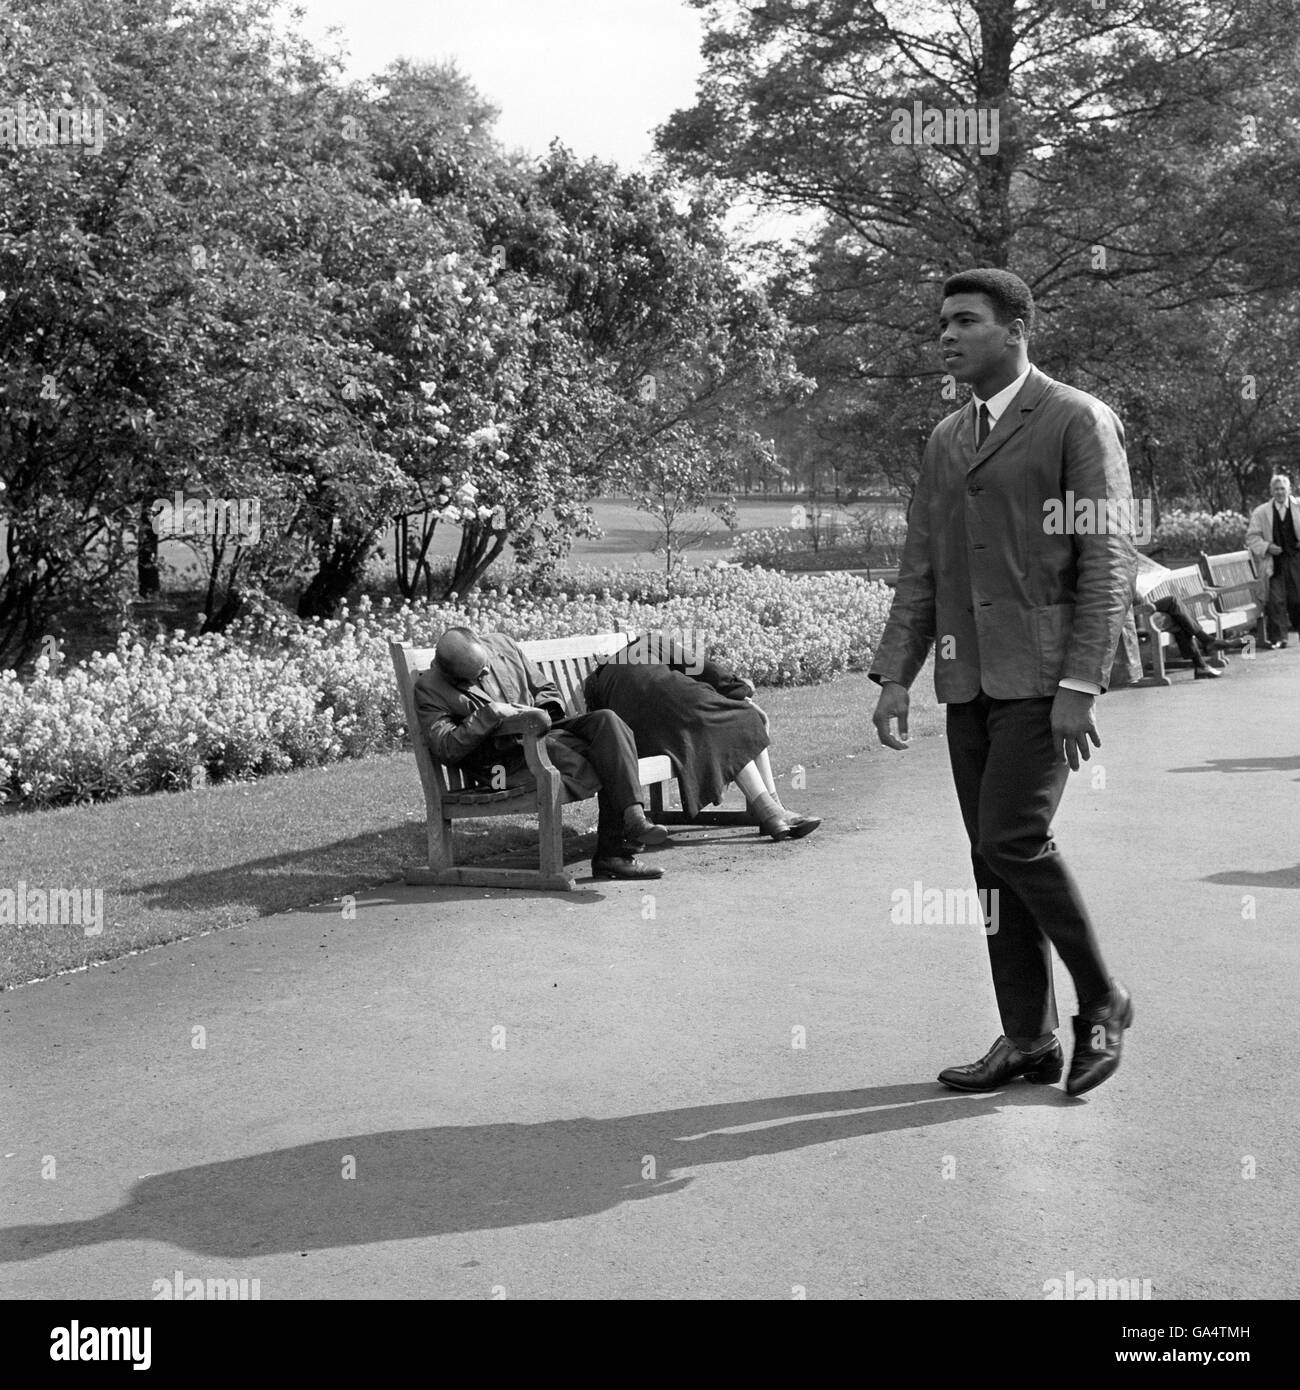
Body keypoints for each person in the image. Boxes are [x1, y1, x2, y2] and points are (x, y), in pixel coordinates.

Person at [869, 267, 1137, 1098]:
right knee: (992, 864)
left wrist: (1082, 682)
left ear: (1017, 327)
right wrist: (895, 676)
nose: (946, 336)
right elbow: (924, 565)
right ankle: (1028, 1039)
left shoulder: (1075, 420)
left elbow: (1107, 559)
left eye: (966, 321)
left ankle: (1101, 1000)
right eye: (941, 323)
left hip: (1046, 678)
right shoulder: (947, 438)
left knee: (1013, 838)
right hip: (968, 678)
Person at [413, 626, 666, 881]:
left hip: (544, 729)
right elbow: (446, 746)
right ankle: (613, 855)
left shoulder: (504, 645)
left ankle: (633, 817)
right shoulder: (429, 689)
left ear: (480, 644)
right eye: (476, 676)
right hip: (507, 761)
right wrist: (491, 715)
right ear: (452, 676)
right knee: (608, 753)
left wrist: (537, 711)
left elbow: (546, 689)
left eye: (485, 665)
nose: (486, 673)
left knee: (608, 722)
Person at [581, 631, 821, 840]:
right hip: (677, 705)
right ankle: (773, 811)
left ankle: (774, 812)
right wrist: (741, 690)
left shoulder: (600, 681)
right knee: (740, 720)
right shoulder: (648, 643)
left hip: (641, 739)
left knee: (720, 726)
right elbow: (705, 669)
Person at [1245, 474, 1300, 649]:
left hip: (1296, 560)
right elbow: (1252, 537)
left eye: (1283, 488)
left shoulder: (1298, 507)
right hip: (1274, 562)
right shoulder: (1261, 512)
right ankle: (1278, 638)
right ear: (1271, 491)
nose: (1279, 492)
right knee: (1276, 601)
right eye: (1276, 489)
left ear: (1289, 489)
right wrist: (1267, 546)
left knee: (1297, 599)